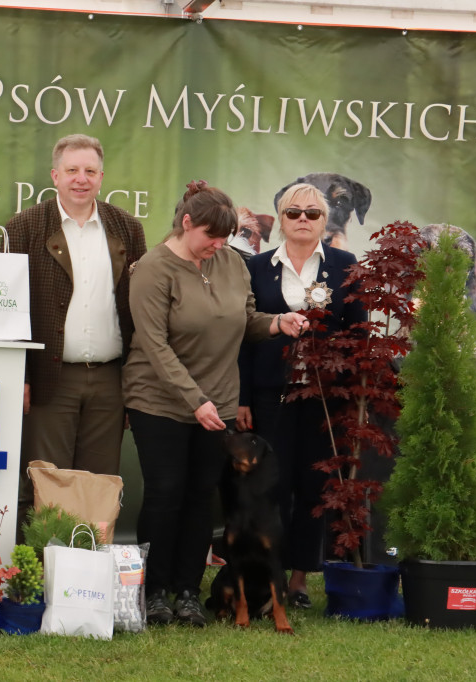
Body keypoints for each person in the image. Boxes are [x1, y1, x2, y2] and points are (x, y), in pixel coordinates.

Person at [123, 181, 308, 627]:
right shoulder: (152, 270)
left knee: (201, 498)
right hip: (161, 399)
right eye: (210, 237)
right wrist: (195, 400)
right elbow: (154, 345)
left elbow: (245, 320)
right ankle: (154, 592)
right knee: (165, 495)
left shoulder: (231, 264)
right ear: (187, 223)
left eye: (225, 239)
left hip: (218, 402)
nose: (218, 246)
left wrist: (278, 323)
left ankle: (188, 590)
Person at [237, 183, 365, 608]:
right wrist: (241, 398)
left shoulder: (346, 265)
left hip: (325, 399)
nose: (303, 220)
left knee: (315, 488)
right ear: (281, 219)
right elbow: (242, 338)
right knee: (270, 487)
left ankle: (299, 580)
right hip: (271, 394)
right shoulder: (255, 266)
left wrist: (350, 394)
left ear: (325, 222)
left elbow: (357, 334)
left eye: (313, 213)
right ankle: (265, 574)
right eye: (294, 213)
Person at [6, 133, 146, 520]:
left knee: (98, 485)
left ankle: (89, 575)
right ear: (55, 175)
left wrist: (136, 379)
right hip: (50, 378)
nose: (80, 179)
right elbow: (7, 307)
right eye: (72, 170)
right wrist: (21, 376)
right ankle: (40, 575)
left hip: (110, 381)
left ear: (101, 177)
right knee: (45, 483)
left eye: (89, 171)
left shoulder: (127, 229)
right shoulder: (24, 227)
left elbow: (141, 310)